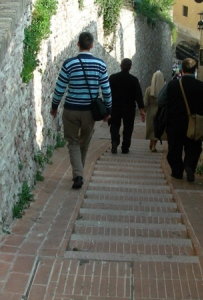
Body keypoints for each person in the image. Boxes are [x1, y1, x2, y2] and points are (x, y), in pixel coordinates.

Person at [50, 32, 112, 189]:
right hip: (90, 112)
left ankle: (78, 174)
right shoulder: (100, 65)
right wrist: (108, 110)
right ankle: (79, 173)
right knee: (84, 143)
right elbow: (106, 90)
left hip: (71, 110)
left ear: (78, 44)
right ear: (92, 45)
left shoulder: (69, 64)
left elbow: (60, 88)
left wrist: (54, 106)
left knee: (72, 142)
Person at [157, 58, 203, 182]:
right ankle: (189, 166)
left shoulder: (172, 85)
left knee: (174, 149)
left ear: (182, 70)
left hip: (175, 124)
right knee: (193, 148)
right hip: (194, 125)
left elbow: (160, 100)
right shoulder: (202, 87)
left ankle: (177, 171)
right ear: (195, 70)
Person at [108, 58, 145, 154]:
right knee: (128, 127)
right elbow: (138, 95)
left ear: (120, 65)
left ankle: (115, 141)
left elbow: (107, 93)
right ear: (130, 67)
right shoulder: (134, 80)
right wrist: (141, 109)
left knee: (115, 125)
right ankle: (125, 147)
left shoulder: (113, 78)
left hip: (115, 106)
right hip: (129, 108)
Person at [143, 70, 166, 152]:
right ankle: (153, 146)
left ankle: (151, 143)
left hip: (150, 112)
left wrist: (143, 111)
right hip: (160, 112)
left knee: (151, 128)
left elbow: (145, 102)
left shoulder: (148, 89)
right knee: (157, 129)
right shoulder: (164, 90)